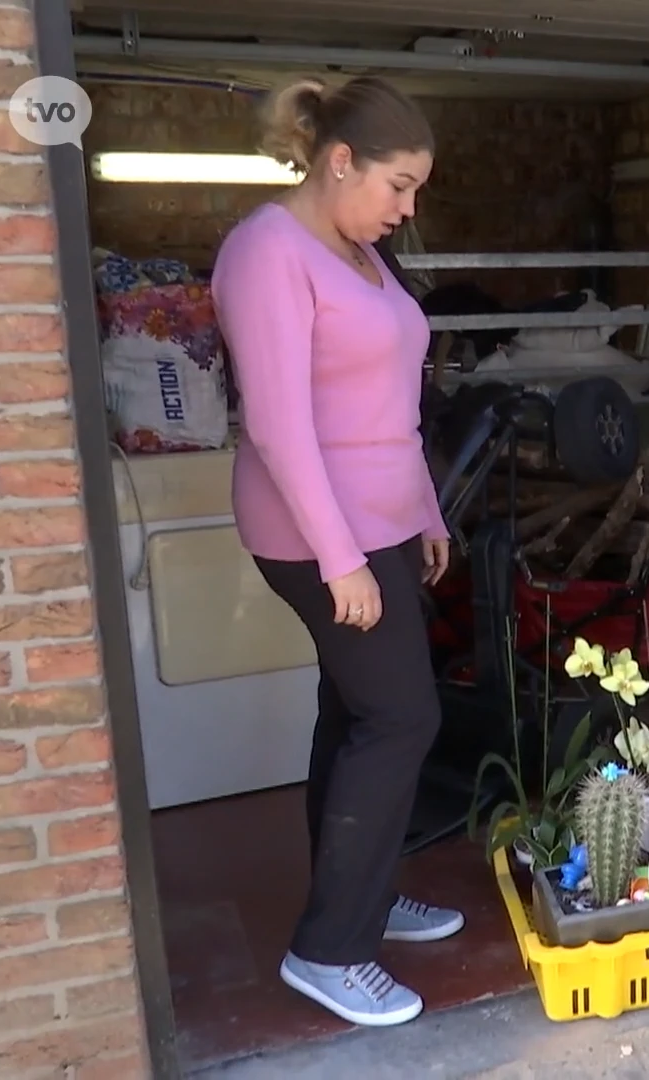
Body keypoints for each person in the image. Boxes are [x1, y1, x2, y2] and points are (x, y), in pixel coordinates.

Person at [211, 76, 459, 1027]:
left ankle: (360, 891)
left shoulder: (357, 252)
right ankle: (330, 950)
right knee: (401, 719)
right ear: (339, 161)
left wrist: (427, 507)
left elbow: (390, 403)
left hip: (384, 521)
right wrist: (339, 559)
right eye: (398, 185)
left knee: (353, 713)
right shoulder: (267, 252)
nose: (408, 208)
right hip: (319, 534)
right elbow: (279, 427)